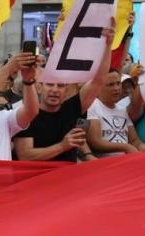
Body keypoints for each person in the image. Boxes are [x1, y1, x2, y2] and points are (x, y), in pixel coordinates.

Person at [14, 25, 114, 162]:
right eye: (49, 84)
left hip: (68, 179)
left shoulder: (72, 108)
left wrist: (108, 45)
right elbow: (25, 156)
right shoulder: (26, 114)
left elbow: (98, 80)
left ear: (66, 90)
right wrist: (62, 146)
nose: (55, 89)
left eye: (60, 86)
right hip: (36, 180)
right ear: (39, 87)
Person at [85, 70, 145, 157]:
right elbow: (95, 142)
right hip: (105, 164)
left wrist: (142, 147)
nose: (116, 88)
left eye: (118, 83)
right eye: (111, 85)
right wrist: (125, 147)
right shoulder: (92, 106)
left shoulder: (122, 110)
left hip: (126, 161)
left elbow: (134, 140)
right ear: (99, 87)